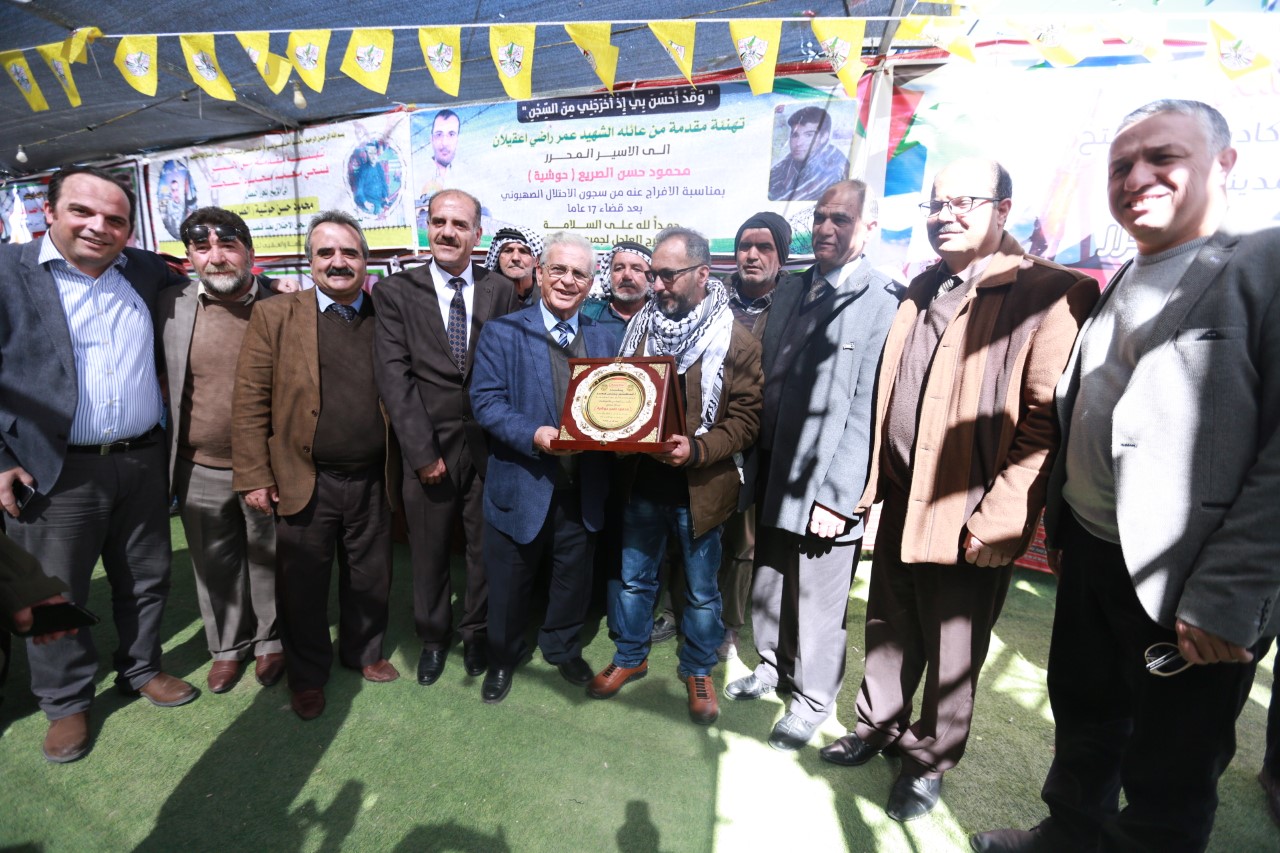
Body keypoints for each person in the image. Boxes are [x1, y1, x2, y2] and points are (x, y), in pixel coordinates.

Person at [971, 100, 1280, 852]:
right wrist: (1063, 527)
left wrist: (1229, 594)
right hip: (1093, 551)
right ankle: (1068, 835)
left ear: (1225, 164)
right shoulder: (1129, 271)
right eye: (1120, 166)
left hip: (1189, 581)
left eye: (1162, 158)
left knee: (1171, 768)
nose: (1136, 177)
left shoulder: (1264, 263)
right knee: (1086, 719)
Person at [813, 162, 1096, 822]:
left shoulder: (1053, 293)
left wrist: (1001, 519)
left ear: (1004, 208)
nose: (944, 215)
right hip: (901, 499)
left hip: (970, 516)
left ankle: (927, 761)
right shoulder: (922, 286)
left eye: (962, 201)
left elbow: (1045, 422)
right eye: (935, 205)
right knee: (888, 626)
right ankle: (877, 726)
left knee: (954, 650)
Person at [0, 165, 196, 763]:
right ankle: (65, 701)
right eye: (82, 211)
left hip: (141, 459)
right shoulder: (7, 273)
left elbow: (209, 277)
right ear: (49, 212)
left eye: (115, 218)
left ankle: (142, 668)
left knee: (146, 576)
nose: (98, 227)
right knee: (54, 593)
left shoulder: (144, 270)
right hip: (52, 469)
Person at [724, 182, 900, 753]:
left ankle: (811, 700)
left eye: (841, 219)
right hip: (776, 468)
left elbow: (869, 407)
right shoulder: (794, 287)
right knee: (771, 578)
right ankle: (771, 666)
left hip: (826, 483)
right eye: (820, 217)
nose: (826, 228)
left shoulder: (884, 302)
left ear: (868, 228)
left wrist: (839, 494)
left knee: (820, 601)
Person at [586, 227, 762, 726]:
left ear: (702, 274)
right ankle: (630, 656)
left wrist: (698, 449)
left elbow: (747, 420)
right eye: (654, 274)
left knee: (702, 592)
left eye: (667, 274)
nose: (656, 284)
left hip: (701, 490)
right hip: (641, 485)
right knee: (634, 581)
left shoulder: (736, 338)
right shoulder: (639, 331)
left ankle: (699, 669)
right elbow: (620, 397)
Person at [232, 210, 400, 721]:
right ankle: (307, 675)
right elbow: (250, 399)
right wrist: (255, 474)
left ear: (366, 261)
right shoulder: (276, 316)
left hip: (372, 478)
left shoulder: (387, 316)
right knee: (302, 585)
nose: (338, 261)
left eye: (349, 252)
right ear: (310, 262)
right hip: (304, 478)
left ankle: (363, 651)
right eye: (326, 252)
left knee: (371, 576)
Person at [373, 189, 519, 687]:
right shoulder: (395, 292)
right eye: (439, 222)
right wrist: (421, 452)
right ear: (427, 227)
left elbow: (509, 367)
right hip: (428, 449)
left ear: (478, 234)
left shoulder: (501, 290)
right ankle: (434, 638)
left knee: (484, 551)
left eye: (459, 224)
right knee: (429, 552)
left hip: (489, 448)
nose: (447, 232)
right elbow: (394, 378)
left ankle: (475, 632)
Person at [469, 232, 617, 703]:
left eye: (579, 274)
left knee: (572, 578)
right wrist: (535, 434)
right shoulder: (503, 332)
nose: (568, 281)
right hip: (522, 482)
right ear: (539, 273)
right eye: (559, 270)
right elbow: (486, 402)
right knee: (509, 583)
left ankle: (562, 647)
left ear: (591, 283)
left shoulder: (606, 338)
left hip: (582, 486)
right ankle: (502, 657)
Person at [650, 212, 795, 660]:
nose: (752, 255)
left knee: (741, 541)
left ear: (781, 255)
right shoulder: (710, 296)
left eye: (764, 247)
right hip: (695, 440)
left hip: (755, 438)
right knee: (689, 527)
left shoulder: (792, 303)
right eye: (745, 246)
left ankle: (728, 623)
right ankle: (673, 610)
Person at [157, 207, 282, 695]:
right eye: (202, 248)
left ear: (249, 252)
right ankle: (227, 649)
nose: (216, 257)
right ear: (189, 257)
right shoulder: (169, 306)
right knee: (214, 564)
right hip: (198, 466)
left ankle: (271, 641)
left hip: (267, 466)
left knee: (270, 558)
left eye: (228, 245)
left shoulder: (282, 303)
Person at [768, 106, 850, 202]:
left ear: (824, 137)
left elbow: (789, 200)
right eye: (795, 135)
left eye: (809, 135)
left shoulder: (832, 166)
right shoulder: (795, 158)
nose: (798, 143)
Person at [581, 241, 652, 336]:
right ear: (609, 275)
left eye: (636, 269)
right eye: (619, 268)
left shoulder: (662, 319)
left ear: (650, 277)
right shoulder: (586, 313)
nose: (627, 275)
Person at [483, 225, 543, 306]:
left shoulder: (547, 296)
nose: (515, 258)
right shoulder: (484, 296)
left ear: (537, 261)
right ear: (497, 257)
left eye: (523, 251)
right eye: (508, 251)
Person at [420, 109, 462, 198]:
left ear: (457, 140)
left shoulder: (469, 178)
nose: (444, 143)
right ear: (431, 139)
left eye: (451, 134)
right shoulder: (417, 176)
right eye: (439, 134)